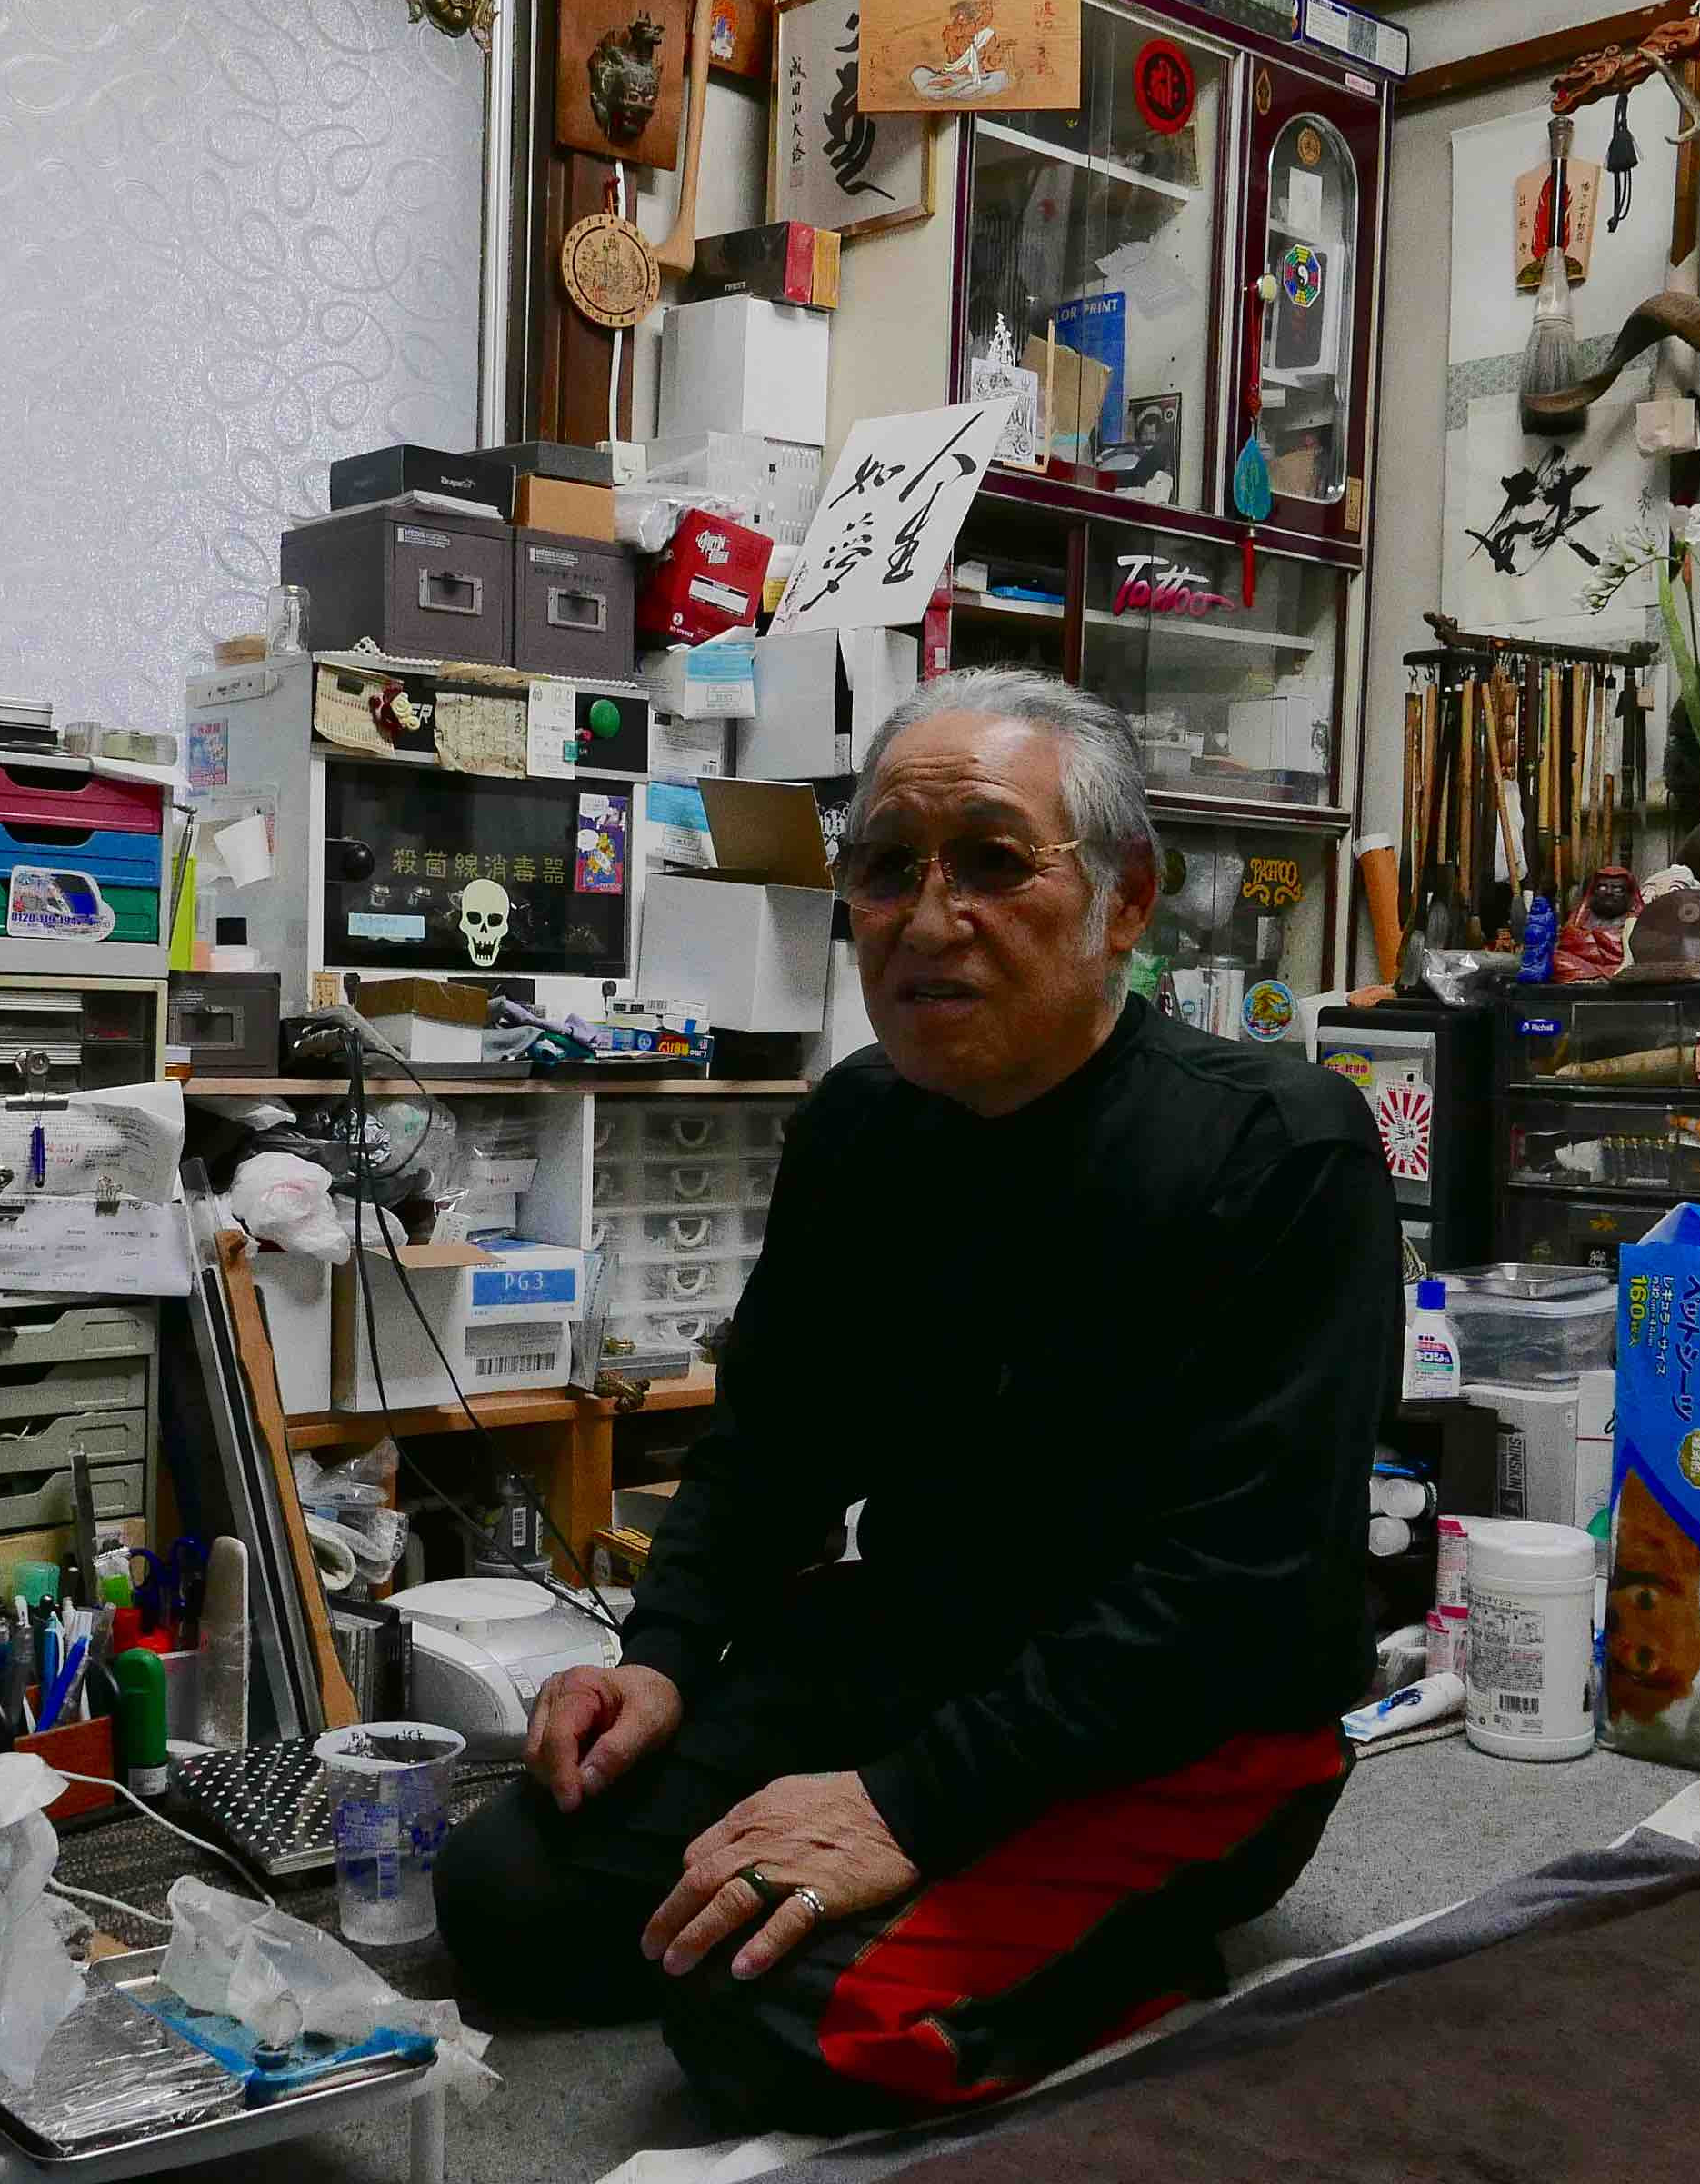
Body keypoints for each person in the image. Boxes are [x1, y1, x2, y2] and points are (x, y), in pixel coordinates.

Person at [436, 673, 1393, 2131]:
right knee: (507, 1892)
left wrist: (906, 1807)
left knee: (763, 2004)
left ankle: (1139, 1949)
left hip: (1198, 1723)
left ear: (1125, 902)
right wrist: (668, 1657)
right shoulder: (862, 1124)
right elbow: (773, 1441)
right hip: (922, 1656)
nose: (929, 916)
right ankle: (970, 1884)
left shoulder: (1276, 1148)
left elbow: (1236, 1590)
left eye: (996, 863)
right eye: (887, 868)